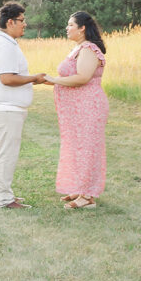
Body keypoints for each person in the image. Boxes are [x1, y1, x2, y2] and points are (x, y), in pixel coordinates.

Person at [0, 2, 46, 209]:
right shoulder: (3, 44)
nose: (25, 24)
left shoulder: (5, 42)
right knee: (6, 154)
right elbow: (7, 78)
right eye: (21, 20)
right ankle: (4, 198)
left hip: (5, 107)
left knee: (1, 152)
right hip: (5, 107)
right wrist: (33, 78)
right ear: (10, 22)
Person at [44, 11, 109, 210]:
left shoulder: (89, 48)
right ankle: (80, 188)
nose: (67, 28)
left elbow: (83, 77)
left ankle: (88, 196)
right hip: (77, 109)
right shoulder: (77, 48)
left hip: (88, 106)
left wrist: (53, 80)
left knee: (87, 148)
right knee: (75, 146)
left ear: (82, 28)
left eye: (71, 25)